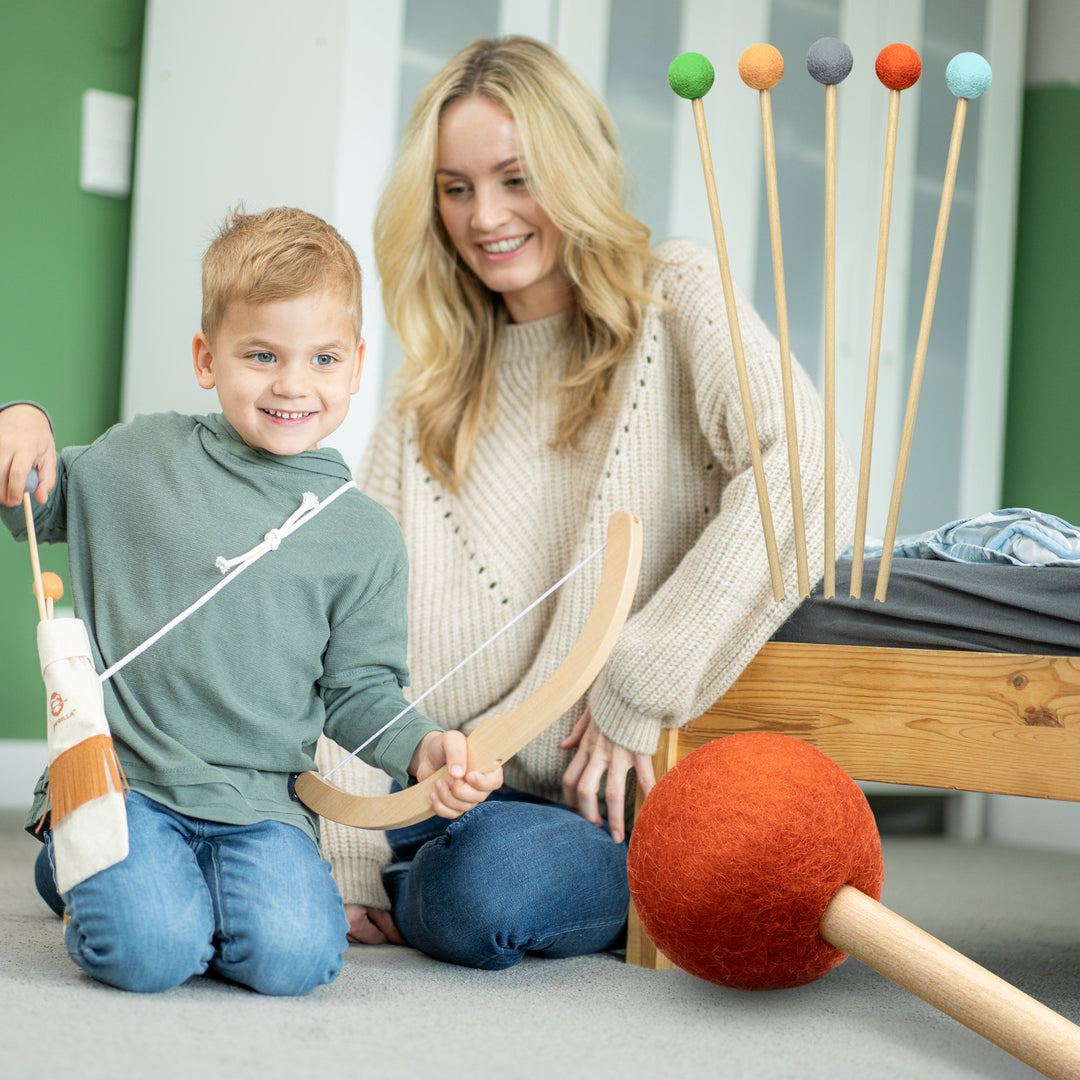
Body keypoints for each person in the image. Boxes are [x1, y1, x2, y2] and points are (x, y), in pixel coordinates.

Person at [316, 36, 857, 966]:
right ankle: (387, 878)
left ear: (572, 169)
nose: (485, 216)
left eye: (515, 178)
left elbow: (807, 475)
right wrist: (353, 843)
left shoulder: (676, 296)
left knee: (483, 891)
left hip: (589, 801)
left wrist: (636, 680)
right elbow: (351, 625)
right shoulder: (425, 393)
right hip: (429, 785)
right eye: (455, 188)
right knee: (130, 836)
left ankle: (426, 888)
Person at [0, 207, 502, 995]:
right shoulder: (139, 457)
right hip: (129, 780)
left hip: (262, 807)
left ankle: (115, 875)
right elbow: (37, 499)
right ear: (207, 358)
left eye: (323, 358)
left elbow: (361, 691)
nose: (293, 384)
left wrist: (422, 748)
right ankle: (84, 859)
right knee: (151, 952)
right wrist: (22, 420)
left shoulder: (363, 535)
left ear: (358, 365)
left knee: (296, 960)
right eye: (261, 354)